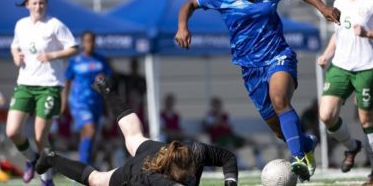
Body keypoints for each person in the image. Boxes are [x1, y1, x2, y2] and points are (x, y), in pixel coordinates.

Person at [175, 0, 340, 181]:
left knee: (279, 98)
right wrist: (182, 27)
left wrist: (323, 7)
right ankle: (306, 143)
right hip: (251, 69)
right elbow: (189, 4)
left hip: (278, 56)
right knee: (280, 131)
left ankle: (298, 158)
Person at [35, 77, 239, 186]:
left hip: (156, 149)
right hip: (137, 170)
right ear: (174, 173)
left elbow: (227, 156)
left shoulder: (194, 151)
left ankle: (107, 91)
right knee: (96, 180)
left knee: (134, 136)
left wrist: (230, 183)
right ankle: (51, 158)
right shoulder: (155, 178)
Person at [317, 0, 373, 185]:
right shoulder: (339, 3)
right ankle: (352, 146)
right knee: (326, 115)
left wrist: (368, 33)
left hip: (368, 68)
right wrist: (326, 55)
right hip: (341, 66)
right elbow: (338, 35)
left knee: (367, 121)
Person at [6, 0, 78, 186]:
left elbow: (74, 48)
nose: (38, 6)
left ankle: (47, 180)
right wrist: (16, 56)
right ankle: (32, 160)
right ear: (27, 5)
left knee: (40, 137)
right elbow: (14, 46)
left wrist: (52, 54)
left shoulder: (54, 25)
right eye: (35, 3)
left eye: (42, 3)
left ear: (46, 4)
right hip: (25, 85)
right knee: (12, 131)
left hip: (49, 86)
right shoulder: (21, 25)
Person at [62, 30, 112, 164]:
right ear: (83, 43)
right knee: (90, 130)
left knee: (89, 136)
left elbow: (108, 81)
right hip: (79, 103)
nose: (90, 43)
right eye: (88, 41)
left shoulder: (101, 60)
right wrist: (63, 102)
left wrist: (103, 80)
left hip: (96, 103)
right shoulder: (75, 61)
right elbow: (67, 81)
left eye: (93, 41)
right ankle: (84, 169)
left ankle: (84, 165)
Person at [203, 97, 265, 170]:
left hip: (230, 136)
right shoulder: (210, 116)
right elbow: (213, 125)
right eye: (215, 105)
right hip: (218, 139)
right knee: (230, 146)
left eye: (218, 105)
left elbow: (229, 126)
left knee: (252, 141)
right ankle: (241, 165)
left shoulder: (225, 115)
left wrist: (221, 122)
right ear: (212, 106)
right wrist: (220, 121)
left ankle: (260, 162)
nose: (217, 107)